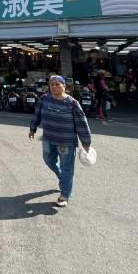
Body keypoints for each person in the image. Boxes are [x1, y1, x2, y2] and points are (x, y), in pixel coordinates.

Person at [28, 75, 91, 208]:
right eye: (52, 84)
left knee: (66, 167)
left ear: (64, 86)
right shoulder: (44, 99)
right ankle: (63, 178)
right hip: (48, 138)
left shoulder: (72, 103)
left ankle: (65, 195)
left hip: (66, 142)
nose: (54, 86)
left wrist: (86, 142)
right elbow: (37, 114)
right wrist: (33, 129)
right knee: (48, 160)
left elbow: (81, 123)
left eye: (57, 84)